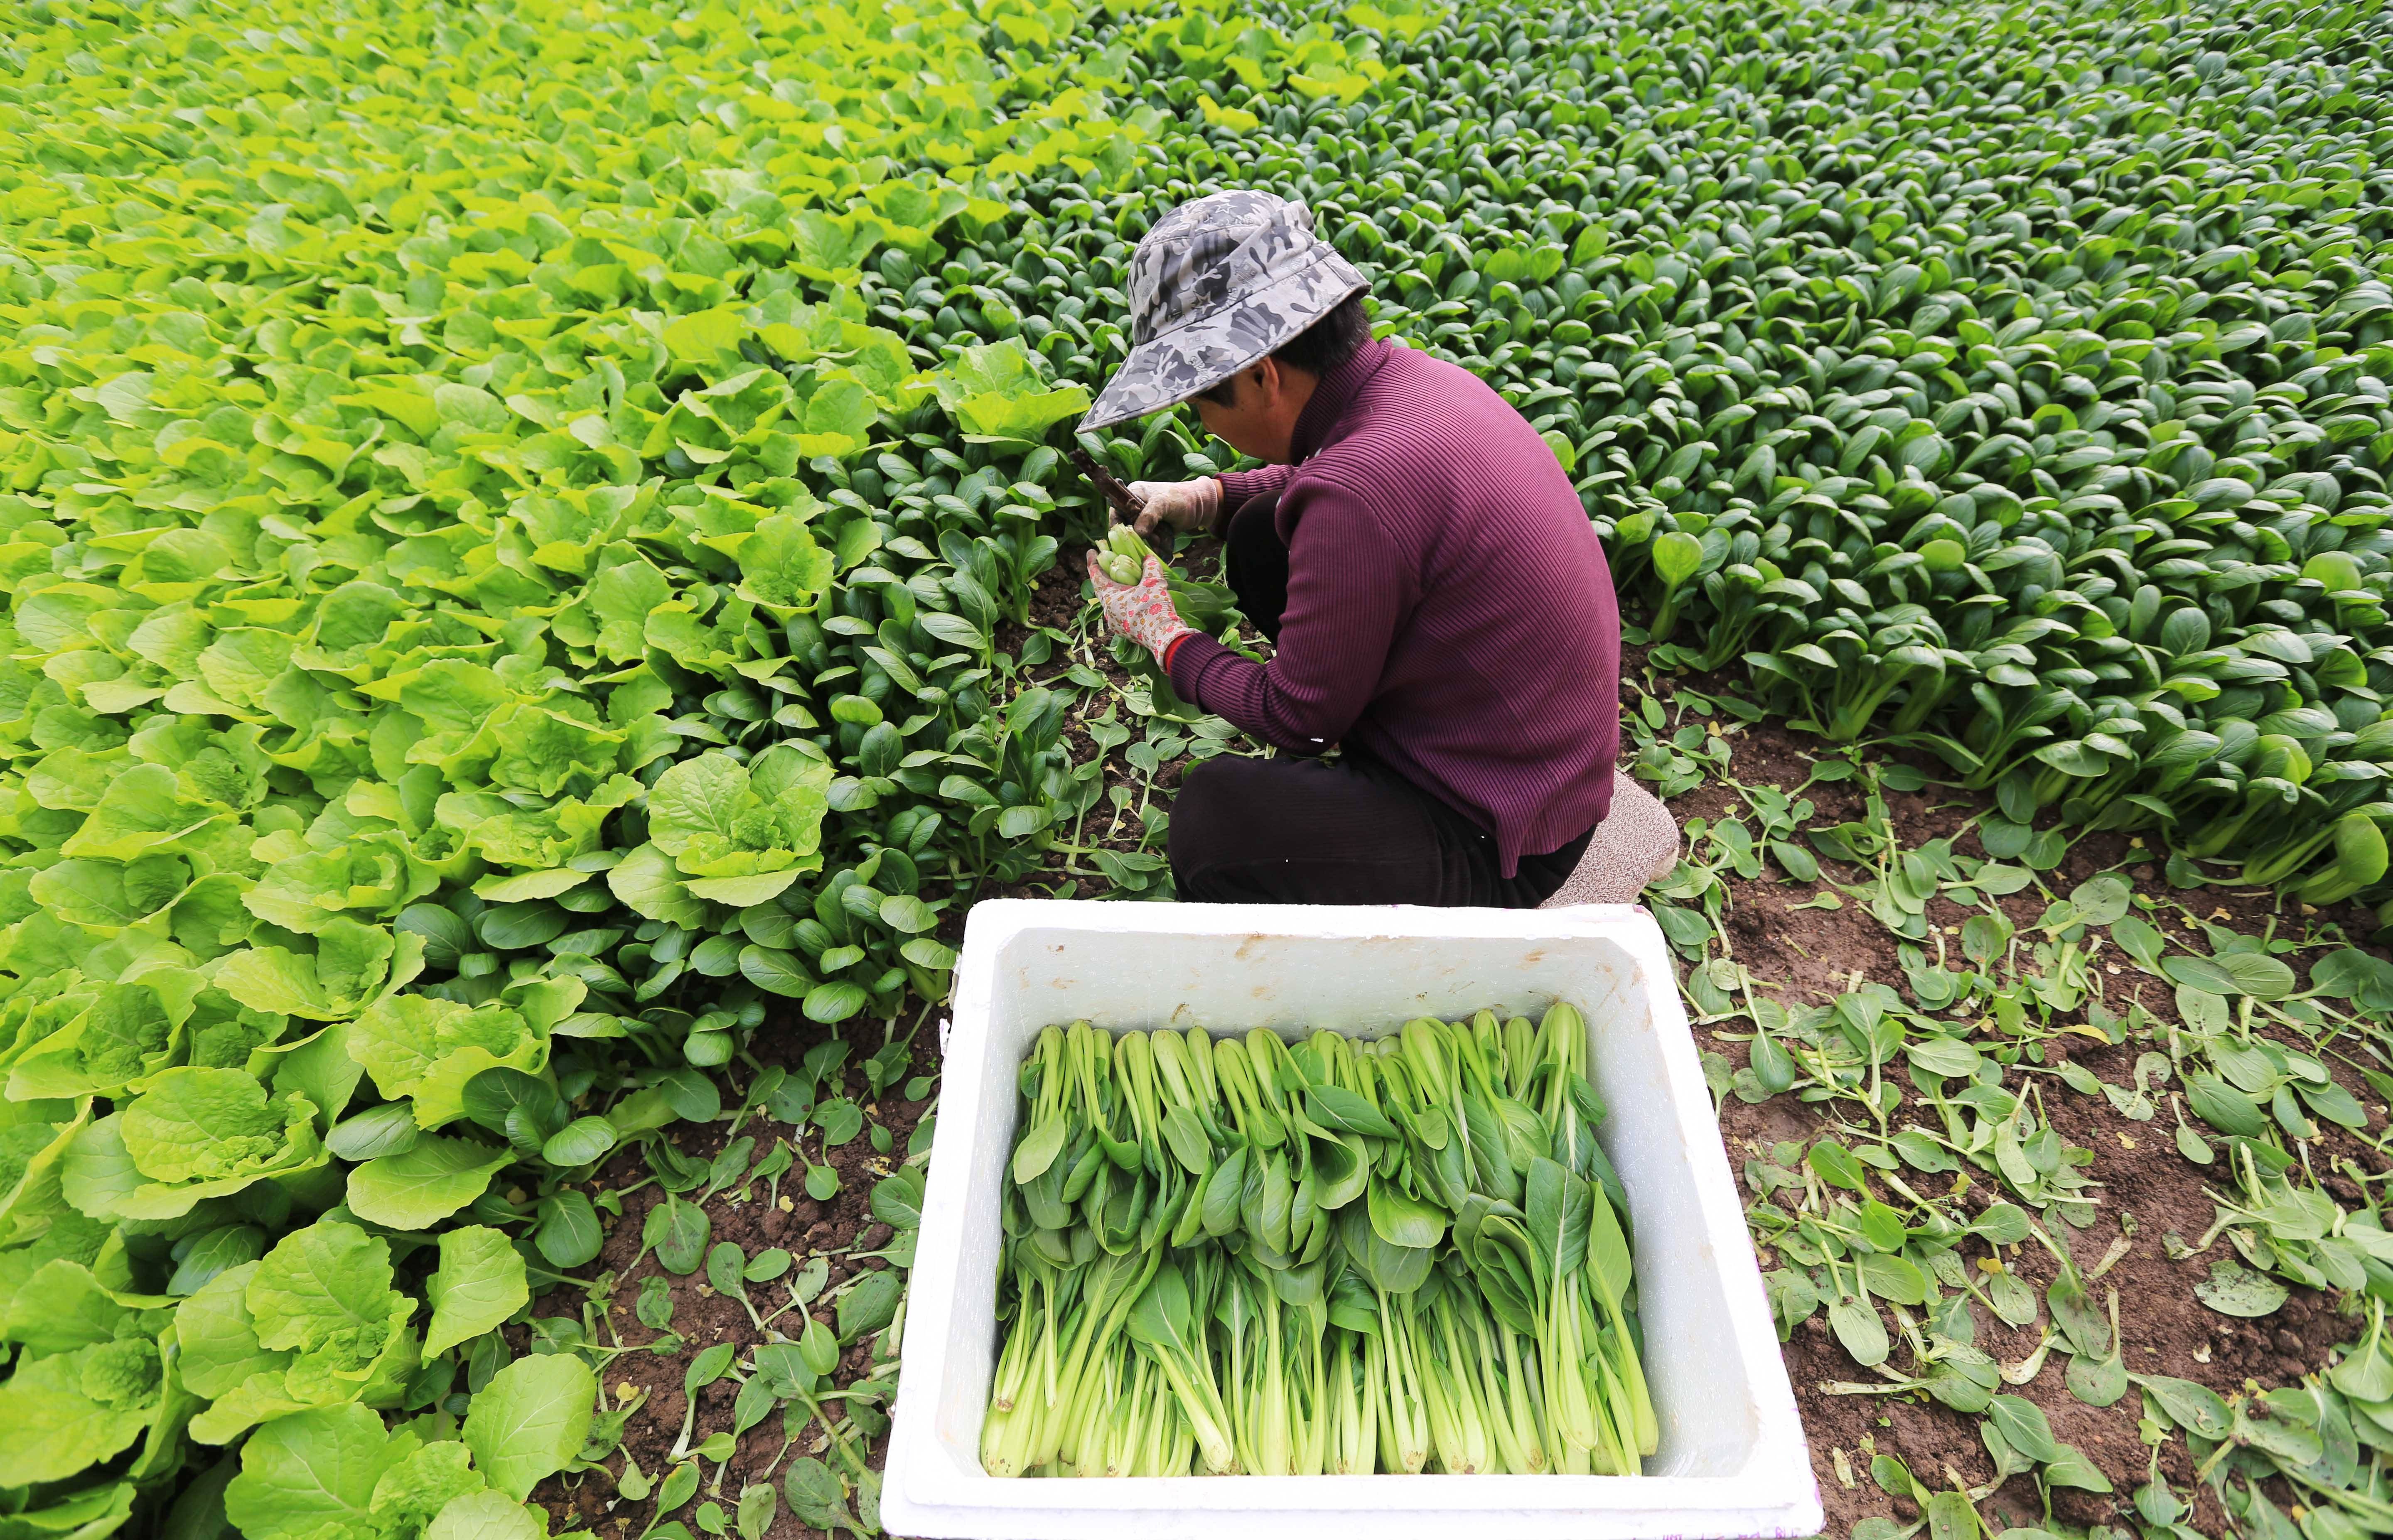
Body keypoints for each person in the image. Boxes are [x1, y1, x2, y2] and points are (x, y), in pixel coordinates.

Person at [1076, 189, 1673, 907]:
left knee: (1215, 823)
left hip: (1503, 837)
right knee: (1263, 533)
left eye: (1199, 400)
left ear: (1263, 376)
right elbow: (1328, 472)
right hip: (1534, 764)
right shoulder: (1414, 385)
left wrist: (1167, 638)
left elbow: (1297, 719)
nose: (1201, 422)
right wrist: (1211, 497)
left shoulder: (1354, 496)